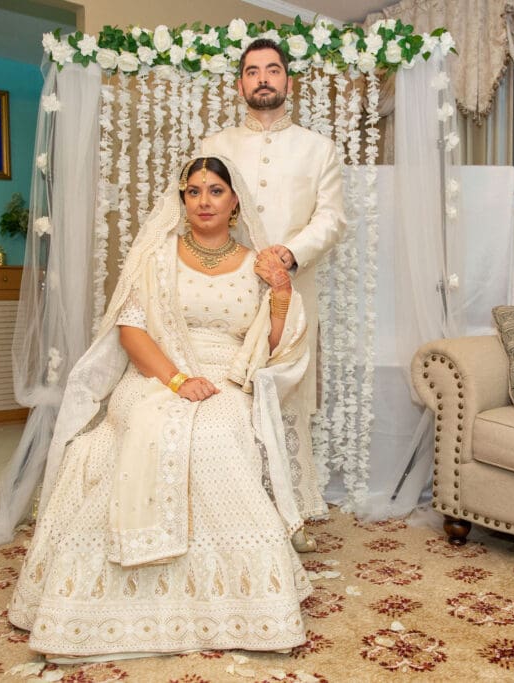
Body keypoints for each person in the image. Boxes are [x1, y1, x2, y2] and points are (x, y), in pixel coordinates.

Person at [6, 156, 312, 659]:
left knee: (216, 436)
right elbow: (131, 332)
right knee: (145, 425)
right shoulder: (155, 256)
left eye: (215, 191)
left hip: (227, 377)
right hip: (154, 373)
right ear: (182, 200)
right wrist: (175, 379)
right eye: (193, 192)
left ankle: (240, 605)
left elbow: (272, 346)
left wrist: (280, 290)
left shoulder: (259, 264)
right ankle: (99, 602)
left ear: (235, 201)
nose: (204, 201)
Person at [202, 39, 346, 549]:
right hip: (224, 290)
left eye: (273, 70)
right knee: (231, 395)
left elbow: (332, 218)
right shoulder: (215, 144)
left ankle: (292, 515)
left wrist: (289, 254)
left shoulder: (317, 148)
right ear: (239, 84)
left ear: (289, 81)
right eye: (252, 71)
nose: (263, 78)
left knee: (285, 402)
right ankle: (231, 514)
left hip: (293, 290)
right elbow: (200, 209)